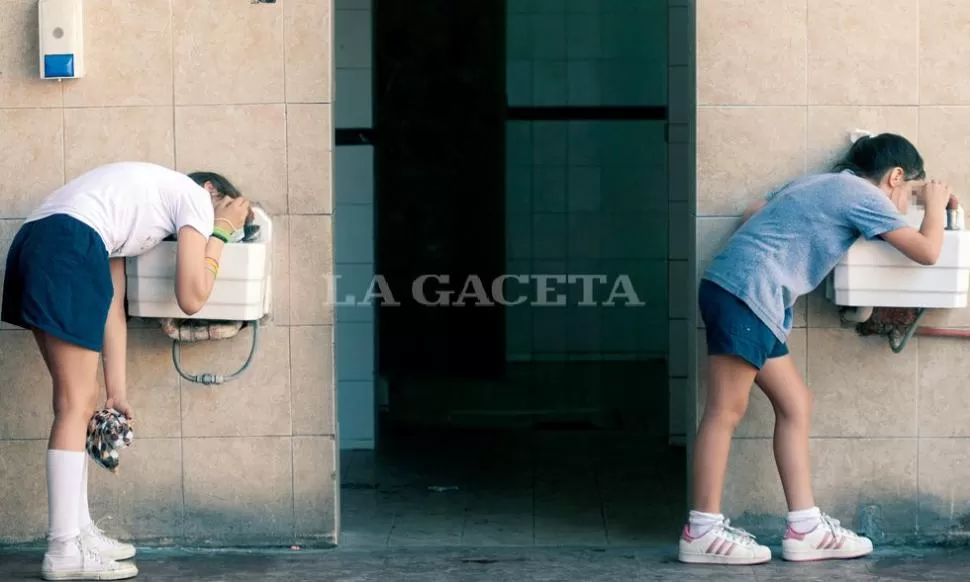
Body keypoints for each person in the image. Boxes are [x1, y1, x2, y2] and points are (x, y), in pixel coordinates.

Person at [678, 133, 953, 565]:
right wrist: (935, 206)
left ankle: (805, 527)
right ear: (896, 177)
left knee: (796, 403)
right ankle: (702, 530)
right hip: (747, 294)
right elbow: (927, 251)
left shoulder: (819, 183)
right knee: (725, 410)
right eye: (910, 193)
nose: (906, 203)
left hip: (748, 294)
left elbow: (753, 212)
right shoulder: (861, 193)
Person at [1, 162, 251, 581]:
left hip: (39, 242)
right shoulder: (194, 196)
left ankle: (78, 534)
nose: (205, 230)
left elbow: (112, 307)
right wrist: (223, 228)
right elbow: (193, 297)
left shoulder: (133, 208)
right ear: (210, 190)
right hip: (67, 244)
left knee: (76, 404)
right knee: (73, 405)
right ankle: (63, 549)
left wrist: (116, 392)